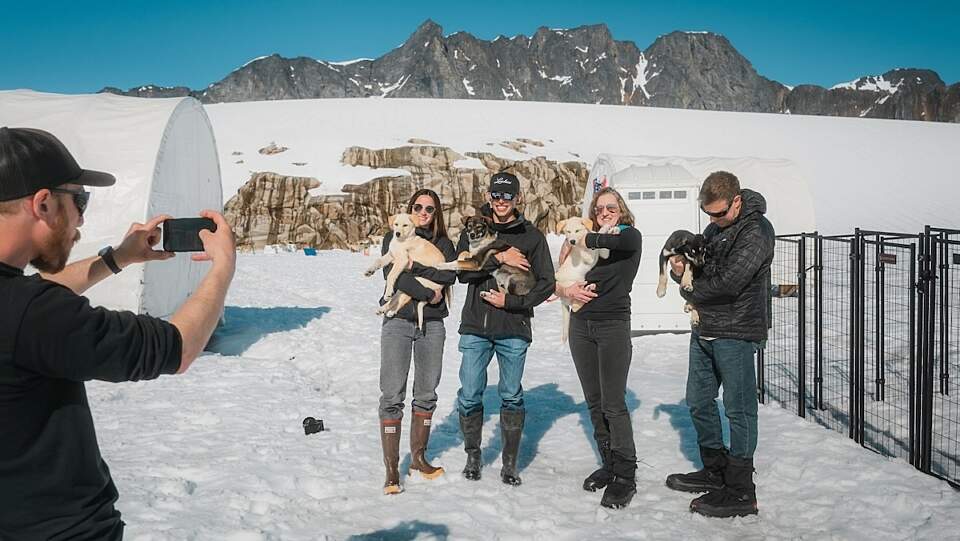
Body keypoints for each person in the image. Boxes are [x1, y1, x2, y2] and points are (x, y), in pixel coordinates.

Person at [0, 127, 236, 539]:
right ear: (42, 204)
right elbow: (176, 348)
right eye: (79, 200)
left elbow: (31, 304)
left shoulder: (24, 310)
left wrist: (119, 258)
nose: (82, 218)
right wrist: (222, 268)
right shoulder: (32, 314)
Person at [664, 171, 774, 518]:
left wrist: (688, 289)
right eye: (708, 214)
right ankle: (715, 469)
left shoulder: (756, 231)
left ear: (737, 201)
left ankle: (742, 489)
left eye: (719, 213)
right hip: (706, 329)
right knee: (698, 401)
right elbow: (699, 263)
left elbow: (730, 282)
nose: (712, 220)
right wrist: (678, 266)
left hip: (736, 333)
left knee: (739, 409)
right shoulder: (715, 229)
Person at [455, 171, 555, 486]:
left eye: (507, 196)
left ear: (517, 199)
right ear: (489, 197)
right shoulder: (474, 227)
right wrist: (498, 254)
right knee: (470, 394)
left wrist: (510, 303)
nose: (501, 201)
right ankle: (474, 455)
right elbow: (463, 272)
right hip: (476, 326)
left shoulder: (532, 236)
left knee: (511, 395)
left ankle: (509, 463)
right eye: (496, 196)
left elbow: (546, 283)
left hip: (514, 327)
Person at [556, 187, 642, 509]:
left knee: (613, 404)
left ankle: (625, 475)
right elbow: (559, 277)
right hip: (581, 327)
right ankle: (608, 464)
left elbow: (616, 242)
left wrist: (582, 238)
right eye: (599, 208)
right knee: (594, 401)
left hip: (612, 327)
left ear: (621, 210)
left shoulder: (628, 237)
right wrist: (563, 285)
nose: (604, 211)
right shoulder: (584, 243)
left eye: (611, 207)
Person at [377, 189, 457, 495]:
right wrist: (427, 291)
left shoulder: (444, 244)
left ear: (436, 214)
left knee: (426, 393)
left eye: (430, 209)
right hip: (398, 321)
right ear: (409, 211)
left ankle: (419, 459)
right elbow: (393, 275)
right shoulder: (395, 236)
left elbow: (449, 277)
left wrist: (418, 270)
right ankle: (391, 469)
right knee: (392, 394)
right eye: (418, 207)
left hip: (432, 324)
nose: (423, 212)